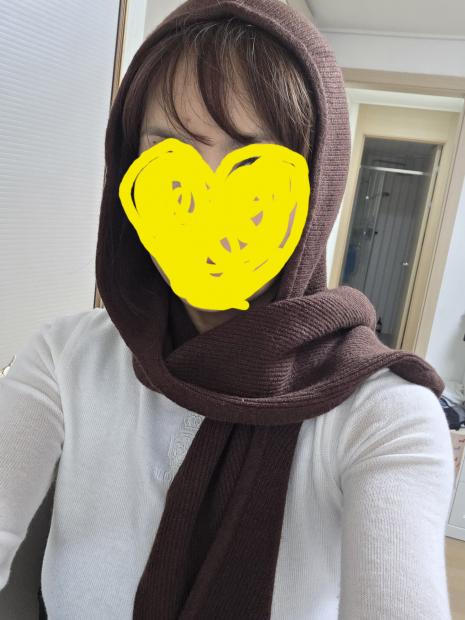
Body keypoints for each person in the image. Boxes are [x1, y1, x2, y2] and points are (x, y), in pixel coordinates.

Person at [0, 1, 455, 619]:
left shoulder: (382, 417)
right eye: (171, 158)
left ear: (315, 191)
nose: (207, 207)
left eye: (252, 168)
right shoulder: (65, 359)